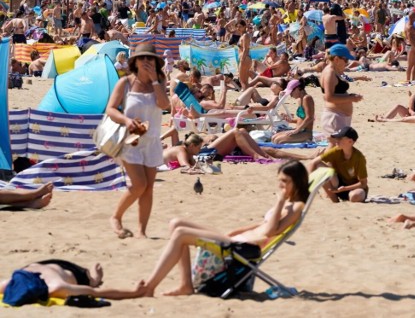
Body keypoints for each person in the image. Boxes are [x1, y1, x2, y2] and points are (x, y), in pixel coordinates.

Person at [140, 161, 310, 297]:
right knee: (176, 223)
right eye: (279, 180)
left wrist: (279, 202)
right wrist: (235, 231)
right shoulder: (287, 203)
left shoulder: (296, 206)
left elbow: (270, 232)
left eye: (285, 181)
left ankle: (150, 286)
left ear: (297, 182)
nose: (280, 185)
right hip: (237, 240)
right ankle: (185, 284)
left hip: (245, 248)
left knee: (181, 233)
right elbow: (262, 224)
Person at [106, 43, 171, 239]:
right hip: (130, 141)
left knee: (148, 189)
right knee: (139, 184)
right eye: (142, 58)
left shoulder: (159, 80)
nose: (146, 62)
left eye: (149, 59)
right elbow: (110, 109)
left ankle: (142, 231)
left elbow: (164, 105)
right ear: (135, 61)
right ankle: (116, 217)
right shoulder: (125, 82)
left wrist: (154, 81)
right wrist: (126, 120)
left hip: (152, 141)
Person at [0, 259, 145, 302]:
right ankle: (95, 278)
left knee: (91, 284)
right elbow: (96, 292)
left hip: (41, 265)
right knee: (91, 283)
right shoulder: (57, 287)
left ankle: (95, 278)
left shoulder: (9, 284)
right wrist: (133, 293)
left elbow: (97, 292)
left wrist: (134, 293)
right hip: (66, 271)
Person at [308, 127, 368, 203]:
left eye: (340, 138)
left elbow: (363, 183)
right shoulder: (336, 150)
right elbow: (312, 163)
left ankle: (341, 199)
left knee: (355, 195)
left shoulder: (359, 158)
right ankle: (335, 201)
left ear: (350, 141)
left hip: (354, 188)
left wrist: (345, 188)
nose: (336, 140)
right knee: (319, 166)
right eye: (337, 138)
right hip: (337, 184)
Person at [320, 44, 362, 144]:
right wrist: (350, 98)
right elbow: (329, 97)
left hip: (339, 117)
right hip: (334, 117)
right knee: (337, 151)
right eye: (346, 60)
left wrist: (350, 97)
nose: (347, 63)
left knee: (339, 152)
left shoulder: (336, 71)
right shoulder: (330, 73)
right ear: (336, 59)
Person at [271, 79, 315, 144]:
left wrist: (297, 130)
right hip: (299, 130)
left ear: (298, 88)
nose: (291, 95)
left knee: (277, 140)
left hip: (306, 133)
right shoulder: (300, 100)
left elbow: (310, 118)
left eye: (291, 92)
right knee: (273, 138)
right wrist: (291, 120)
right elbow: (302, 119)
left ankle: (305, 138)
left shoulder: (307, 98)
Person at [404, 11, 415, 81]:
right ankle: (408, 80)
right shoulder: (409, 27)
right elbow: (410, 39)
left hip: (412, 45)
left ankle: (413, 80)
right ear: (413, 17)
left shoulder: (408, 25)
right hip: (411, 46)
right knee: (410, 65)